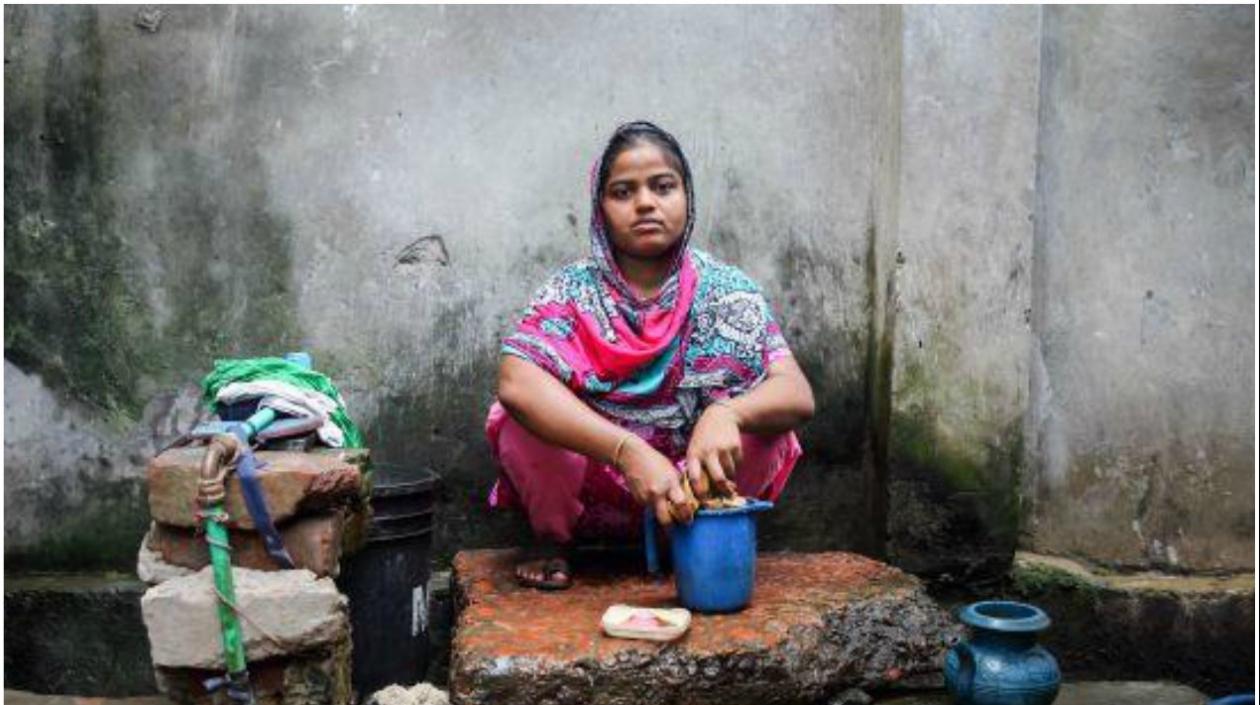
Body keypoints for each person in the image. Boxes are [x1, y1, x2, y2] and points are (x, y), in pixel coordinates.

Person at [486, 121, 815, 589]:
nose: (645, 203)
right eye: (623, 191)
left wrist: (727, 412)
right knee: (521, 421)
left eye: (663, 187)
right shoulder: (572, 291)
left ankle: (696, 537)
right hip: (598, 484)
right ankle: (552, 539)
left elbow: (797, 393)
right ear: (600, 209)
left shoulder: (726, 290)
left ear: (687, 196)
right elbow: (517, 381)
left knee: (765, 428)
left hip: (690, 487)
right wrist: (626, 450)